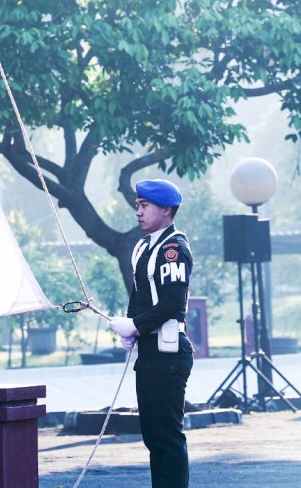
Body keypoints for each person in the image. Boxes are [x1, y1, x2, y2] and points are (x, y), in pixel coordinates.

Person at [108, 178, 194, 488]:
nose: (138, 212)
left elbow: (172, 302)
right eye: (138, 206)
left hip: (168, 353)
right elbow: (142, 297)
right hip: (152, 352)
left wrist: (136, 324)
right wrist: (132, 327)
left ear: (166, 210)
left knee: (167, 438)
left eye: (145, 206)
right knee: (154, 437)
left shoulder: (172, 248)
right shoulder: (146, 246)